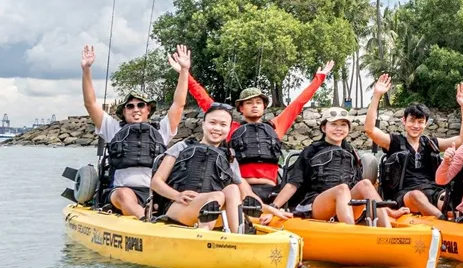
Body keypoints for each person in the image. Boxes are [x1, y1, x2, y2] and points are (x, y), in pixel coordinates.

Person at [172, 57, 333, 202]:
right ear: (241, 108)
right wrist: (185, 73)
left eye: (258, 102)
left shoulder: (276, 126)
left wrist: (319, 78)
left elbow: (298, 103)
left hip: (272, 190)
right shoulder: (230, 128)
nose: (254, 105)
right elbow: (205, 101)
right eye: (249, 103)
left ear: (264, 106)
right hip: (241, 189)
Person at [81, 44, 191, 218]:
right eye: (130, 106)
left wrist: (184, 71)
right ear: (124, 112)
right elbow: (90, 104)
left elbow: (178, 104)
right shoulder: (113, 128)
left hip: (153, 193)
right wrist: (86, 69)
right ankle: (147, 224)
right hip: (120, 193)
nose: (136, 109)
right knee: (124, 195)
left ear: (148, 110)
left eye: (141, 105)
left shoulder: (161, 130)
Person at [151, 103, 290, 232]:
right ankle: (202, 236)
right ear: (203, 124)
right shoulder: (182, 147)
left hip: (214, 208)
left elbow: (247, 195)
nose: (217, 128)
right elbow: (156, 182)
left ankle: (239, 236)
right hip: (180, 207)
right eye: (212, 123)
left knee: (232, 188)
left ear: (229, 129)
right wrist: (177, 195)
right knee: (216, 196)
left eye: (223, 125)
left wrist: (272, 210)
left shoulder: (229, 157)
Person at [273, 107, 408, 226]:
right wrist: (274, 208)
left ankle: (388, 234)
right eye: (334, 124)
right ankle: (351, 235)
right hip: (319, 204)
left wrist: (390, 212)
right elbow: (293, 183)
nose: (339, 128)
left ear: (348, 129)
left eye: (343, 125)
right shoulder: (311, 151)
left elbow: (360, 188)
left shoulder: (351, 153)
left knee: (365, 184)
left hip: (347, 205)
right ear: (324, 128)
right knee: (342, 189)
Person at [363, 74, 463, 218]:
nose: (415, 126)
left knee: (451, 195)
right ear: (404, 121)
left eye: (420, 122)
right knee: (416, 196)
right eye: (412, 121)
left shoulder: (430, 144)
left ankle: (454, 216)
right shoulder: (393, 141)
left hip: (432, 190)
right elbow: (370, 130)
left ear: (426, 123)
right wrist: (377, 95)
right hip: (404, 195)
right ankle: (442, 220)